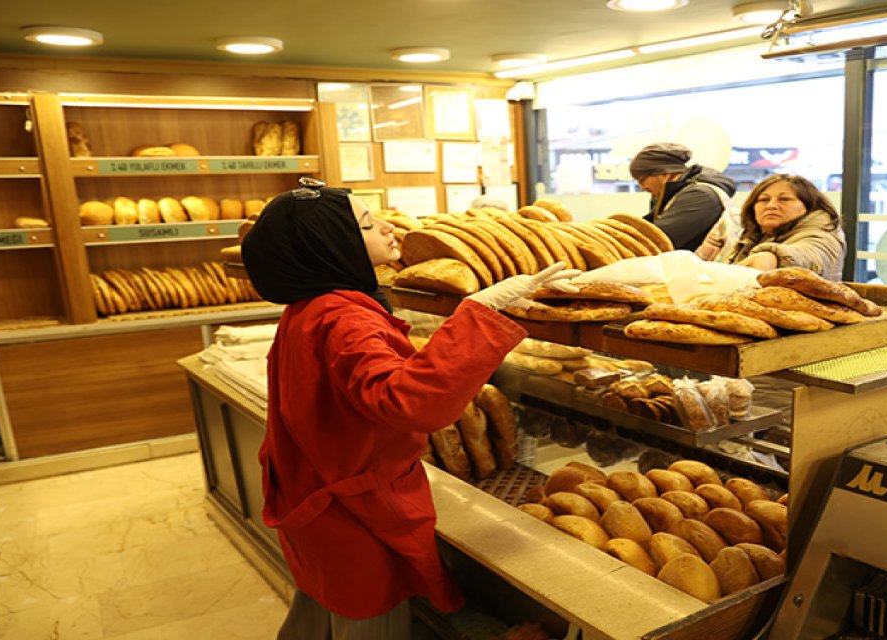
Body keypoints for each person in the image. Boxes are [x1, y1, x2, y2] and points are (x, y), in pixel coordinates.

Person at [241, 178, 577, 639]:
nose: (386, 224)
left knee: (320, 609)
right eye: (365, 223)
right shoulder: (345, 318)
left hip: (314, 495)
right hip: (353, 510)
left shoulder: (314, 305)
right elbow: (408, 401)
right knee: (369, 620)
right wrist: (480, 312)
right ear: (332, 245)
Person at [720, 173, 847, 280]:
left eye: (785, 199)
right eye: (764, 199)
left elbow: (813, 254)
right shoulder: (754, 236)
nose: (771, 205)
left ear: (809, 206)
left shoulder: (823, 234)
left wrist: (772, 257)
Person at [628, 142, 736, 252]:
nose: (642, 187)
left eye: (642, 180)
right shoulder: (674, 194)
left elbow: (657, 240)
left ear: (665, 174)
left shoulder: (699, 196)